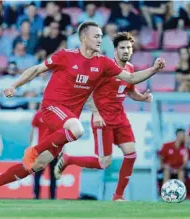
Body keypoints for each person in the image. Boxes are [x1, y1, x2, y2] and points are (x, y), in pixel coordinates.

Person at [0, 21, 165, 200]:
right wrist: (14, 85)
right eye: (96, 36)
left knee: (37, 165)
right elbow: (36, 70)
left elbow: (131, 78)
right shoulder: (65, 56)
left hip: (66, 121)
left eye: (101, 36)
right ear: (84, 38)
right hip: (52, 108)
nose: (101, 40)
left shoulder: (103, 63)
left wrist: (154, 69)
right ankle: (33, 150)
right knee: (77, 129)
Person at [53, 32, 153, 201]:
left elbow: (129, 90)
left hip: (120, 117)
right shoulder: (104, 68)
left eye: (129, 48)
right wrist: (96, 113)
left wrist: (141, 97)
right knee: (104, 163)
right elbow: (88, 91)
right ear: (115, 50)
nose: (126, 51)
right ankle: (69, 159)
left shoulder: (129, 68)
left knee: (131, 154)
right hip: (103, 119)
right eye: (122, 48)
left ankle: (118, 196)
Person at [31, 110, 57, 199]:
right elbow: (33, 130)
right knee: (38, 174)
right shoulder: (38, 115)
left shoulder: (55, 115)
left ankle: (52, 196)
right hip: (42, 149)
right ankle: (36, 195)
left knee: (53, 175)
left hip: (54, 149)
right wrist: (31, 145)